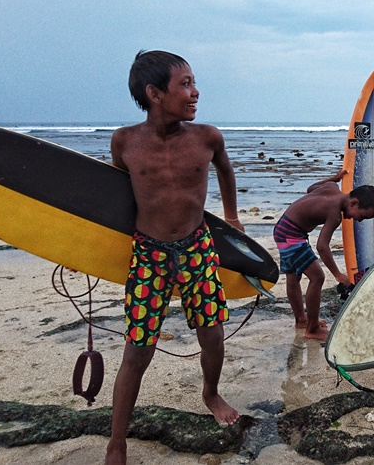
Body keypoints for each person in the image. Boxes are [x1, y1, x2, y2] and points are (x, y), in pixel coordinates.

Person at [105, 50, 242, 465]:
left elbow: (226, 170)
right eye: (185, 84)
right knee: (137, 350)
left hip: (198, 247)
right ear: (154, 93)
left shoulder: (206, 137)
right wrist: (86, 246)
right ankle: (117, 441)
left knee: (212, 333)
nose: (195, 91)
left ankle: (211, 392)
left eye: (193, 82)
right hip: (148, 254)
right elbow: (113, 198)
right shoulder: (125, 141)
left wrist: (232, 217)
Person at [274, 169, 374, 341]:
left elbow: (311, 188)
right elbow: (322, 246)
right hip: (291, 235)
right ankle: (313, 328)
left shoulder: (332, 187)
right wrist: (338, 275)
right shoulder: (334, 214)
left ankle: (301, 320)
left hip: (283, 228)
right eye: (361, 217)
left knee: (293, 276)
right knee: (317, 277)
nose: (358, 220)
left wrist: (335, 178)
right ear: (354, 203)